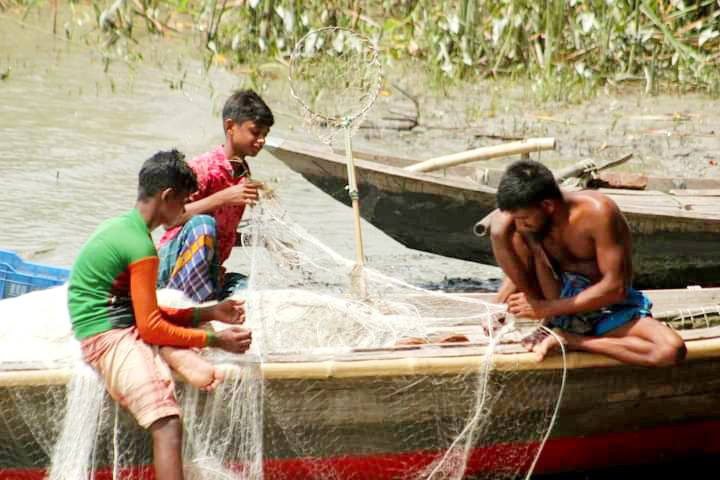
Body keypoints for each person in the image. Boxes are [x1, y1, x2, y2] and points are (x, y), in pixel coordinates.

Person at [68, 149, 253, 480]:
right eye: (183, 201)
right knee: (167, 422)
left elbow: (143, 312)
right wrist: (215, 339)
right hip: (104, 335)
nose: (183, 210)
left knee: (168, 339)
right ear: (168, 197)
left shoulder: (122, 227)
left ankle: (181, 356)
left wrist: (210, 311)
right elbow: (150, 326)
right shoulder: (140, 247)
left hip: (116, 318)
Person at [489, 159, 686, 366]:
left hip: (606, 308)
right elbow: (517, 254)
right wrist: (497, 307)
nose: (521, 224)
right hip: (557, 305)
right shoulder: (529, 222)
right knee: (499, 228)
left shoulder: (598, 213)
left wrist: (545, 309)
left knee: (670, 350)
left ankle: (572, 340)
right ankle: (552, 326)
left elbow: (615, 288)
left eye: (524, 218)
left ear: (547, 205)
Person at [157, 90, 274, 302]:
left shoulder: (242, 175)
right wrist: (223, 197)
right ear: (230, 127)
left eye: (265, 134)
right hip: (170, 265)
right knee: (204, 223)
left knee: (247, 290)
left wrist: (263, 241)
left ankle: (207, 293)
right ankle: (189, 304)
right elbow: (168, 220)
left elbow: (223, 236)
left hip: (209, 272)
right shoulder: (202, 168)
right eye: (255, 132)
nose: (262, 140)